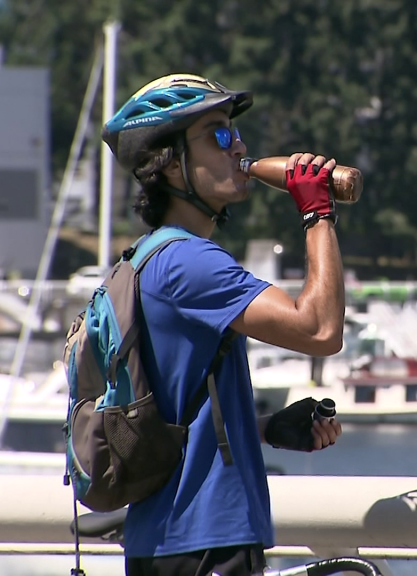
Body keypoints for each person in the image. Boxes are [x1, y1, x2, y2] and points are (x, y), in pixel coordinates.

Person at [101, 73, 346, 576]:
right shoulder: (190, 262)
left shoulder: (147, 258)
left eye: (235, 133)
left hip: (169, 542)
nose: (239, 147)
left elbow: (176, 418)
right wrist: (317, 211)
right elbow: (320, 330)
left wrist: (265, 427)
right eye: (217, 134)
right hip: (205, 541)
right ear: (169, 164)